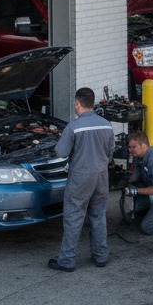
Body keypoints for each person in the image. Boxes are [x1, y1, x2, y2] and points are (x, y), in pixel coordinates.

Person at [48, 87, 115, 272]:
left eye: (75, 105)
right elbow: (110, 154)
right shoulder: (106, 125)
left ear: (77, 103)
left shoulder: (74, 127)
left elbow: (60, 152)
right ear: (92, 103)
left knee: (73, 217)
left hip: (80, 178)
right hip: (101, 176)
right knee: (98, 215)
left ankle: (67, 260)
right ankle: (101, 256)